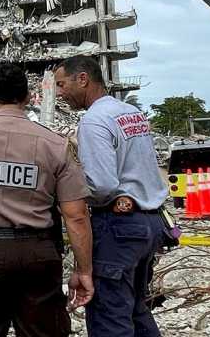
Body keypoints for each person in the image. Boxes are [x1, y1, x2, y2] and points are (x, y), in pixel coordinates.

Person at [0, 62, 94, 337]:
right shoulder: (56, 144)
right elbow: (76, 215)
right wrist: (83, 270)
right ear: (28, 98)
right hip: (39, 256)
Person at [54, 56, 168, 337]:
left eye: (61, 84)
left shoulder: (93, 121)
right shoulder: (131, 113)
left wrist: (68, 195)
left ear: (83, 79)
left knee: (110, 319)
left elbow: (102, 185)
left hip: (119, 229)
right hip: (150, 223)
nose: (59, 93)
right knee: (135, 310)